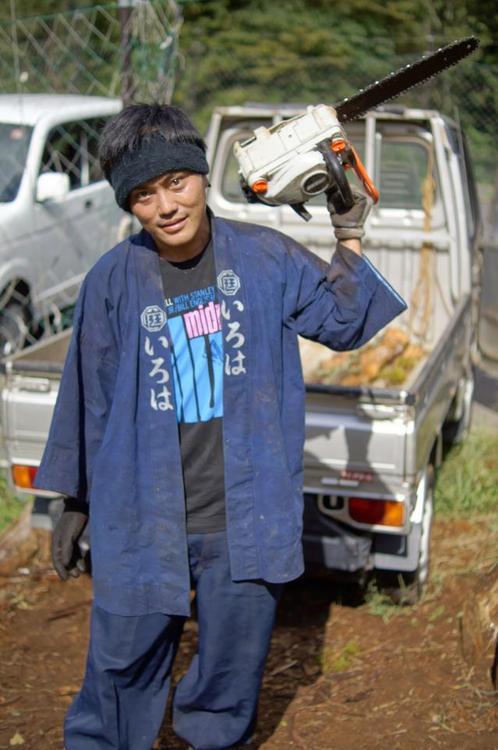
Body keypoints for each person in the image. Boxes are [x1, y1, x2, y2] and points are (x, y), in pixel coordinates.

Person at [35, 103, 406, 750]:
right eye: (144, 195)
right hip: (142, 512)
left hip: (244, 514)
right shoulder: (112, 281)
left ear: (202, 176)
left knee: (229, 678)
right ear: (129, 204)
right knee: (118, 667)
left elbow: (342, 322)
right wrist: (73, 499)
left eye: (176, 182)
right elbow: (87, 396)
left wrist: (348, 233)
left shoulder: (265, 257)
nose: (166, 206)